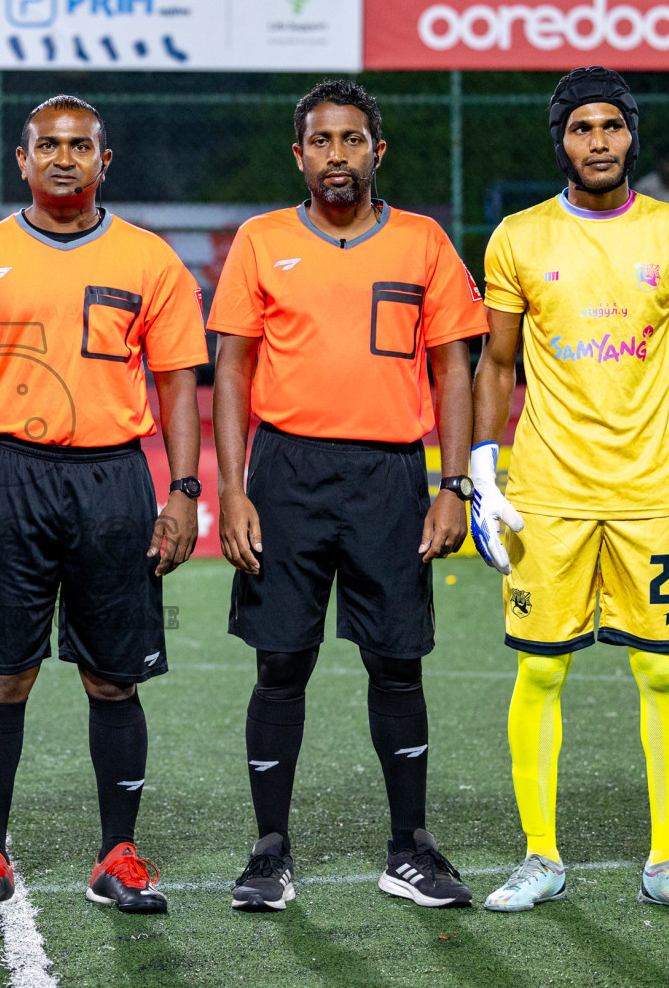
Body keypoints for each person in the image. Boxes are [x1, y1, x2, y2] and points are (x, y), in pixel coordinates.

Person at [472, 67, 669, 917]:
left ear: (632, 135)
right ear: (559, 140)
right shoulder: (517, 238)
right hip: (550, 491)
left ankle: (667, 862)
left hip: (654, 492)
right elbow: (495, 362)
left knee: (663, 674)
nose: (598, 142)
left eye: (612, 127)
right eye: (582, 128)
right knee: (542, 674)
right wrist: (483, 467)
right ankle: (540, 859)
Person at [0, 95, 207, 917]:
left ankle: (118, 854)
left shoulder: (150, 260)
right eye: (47, 145)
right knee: (3, 674)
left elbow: (179, 385)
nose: (63, 159)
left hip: (116, 480)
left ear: (104, 162)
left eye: (80, 147)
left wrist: (185, 491)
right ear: (23, 161)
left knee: (113, 680)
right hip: (10, 476)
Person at [208, 79, 486, 912]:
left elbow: (453, 368)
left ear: (377, 151)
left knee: (397, 663)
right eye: (322, 141)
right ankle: (269, 852)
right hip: (286, 473)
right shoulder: (260, 241)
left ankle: (409, 847)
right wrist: (232, 489)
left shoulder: (424, 243)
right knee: (281, 663)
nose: (338, 155)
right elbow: (231, 370)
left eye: (353, 140)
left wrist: (455, 483)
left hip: (392, 476)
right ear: (300, 155)